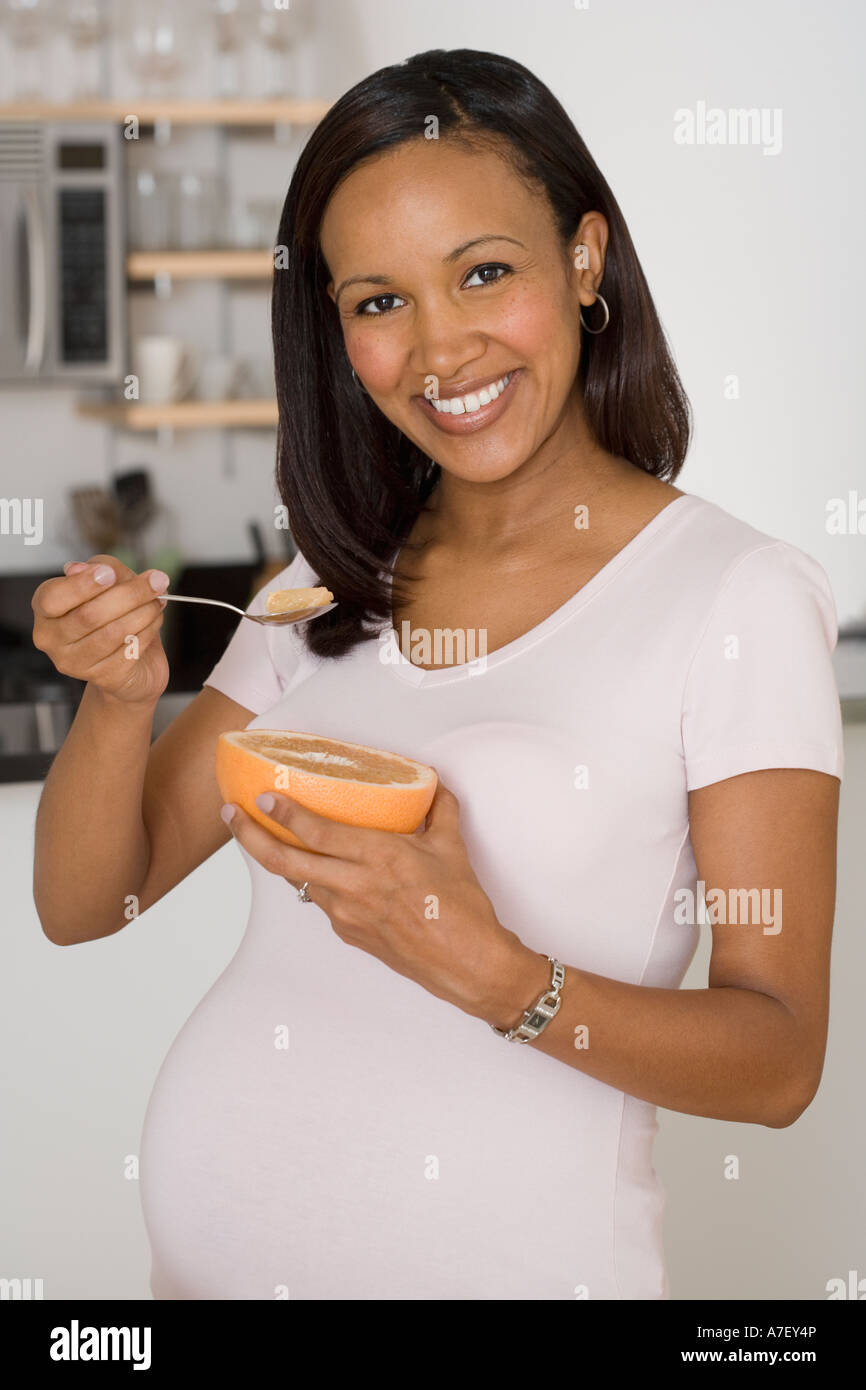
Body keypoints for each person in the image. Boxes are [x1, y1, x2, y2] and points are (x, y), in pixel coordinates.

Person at [32, 49, 843, 1300]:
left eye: (482, 272)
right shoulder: (325, 584)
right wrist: (119, 698)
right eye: (376, 301)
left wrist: (488, 967)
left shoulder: (735, 597)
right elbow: (96, 898)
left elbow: (778, 1059)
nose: (438, 349)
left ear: (582, 260)